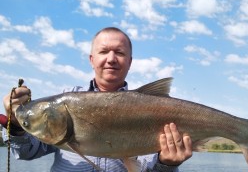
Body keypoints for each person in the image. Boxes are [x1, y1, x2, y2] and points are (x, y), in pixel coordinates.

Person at [2, 27, 192, 171]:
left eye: (119, 52)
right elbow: (26, 152)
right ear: (92, 59)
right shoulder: (62, 104)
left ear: (130, 62)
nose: (111, 59)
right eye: (104, 52)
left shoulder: (151, 109)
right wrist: (17, 125)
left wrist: (166, 164)